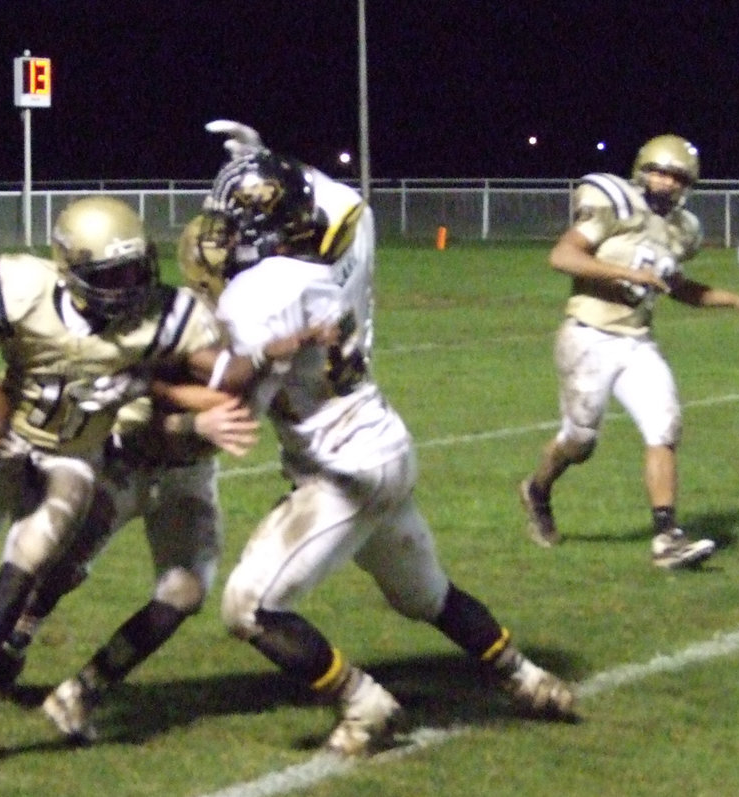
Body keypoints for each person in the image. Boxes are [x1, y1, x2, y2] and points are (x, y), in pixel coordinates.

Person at [196, 141, 575, 758]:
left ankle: (364, 702)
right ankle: (526, 678)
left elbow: (240, 401)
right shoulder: (354, 228)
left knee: (249, 607)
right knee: (426, 596)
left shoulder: (259, 295)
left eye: (236, 225)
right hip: (384, 445)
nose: (226, 238)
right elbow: (332, 193)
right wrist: (268, 158)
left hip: (341, 470)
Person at [0, 196, 310, 767]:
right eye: (112, 275)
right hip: (35, 441)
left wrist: (274, 355)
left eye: (134, 269)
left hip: (86, 456)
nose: (129, 287)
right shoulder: (22, 292)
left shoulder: (172, 317)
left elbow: (219, 377)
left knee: (27, 569)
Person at [517, 134, 739, 568]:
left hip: (637, 340)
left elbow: (677, 286)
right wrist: (626, 274)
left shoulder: (681, 230)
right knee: (580, 442)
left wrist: (736, 301)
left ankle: (667, 536)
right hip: (589, 335)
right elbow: (563, 256)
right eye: (659, 172)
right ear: (642, 171)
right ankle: (537, 490)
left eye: (677, 177)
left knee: (664, 426)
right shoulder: (615, 206)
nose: (667, 182)